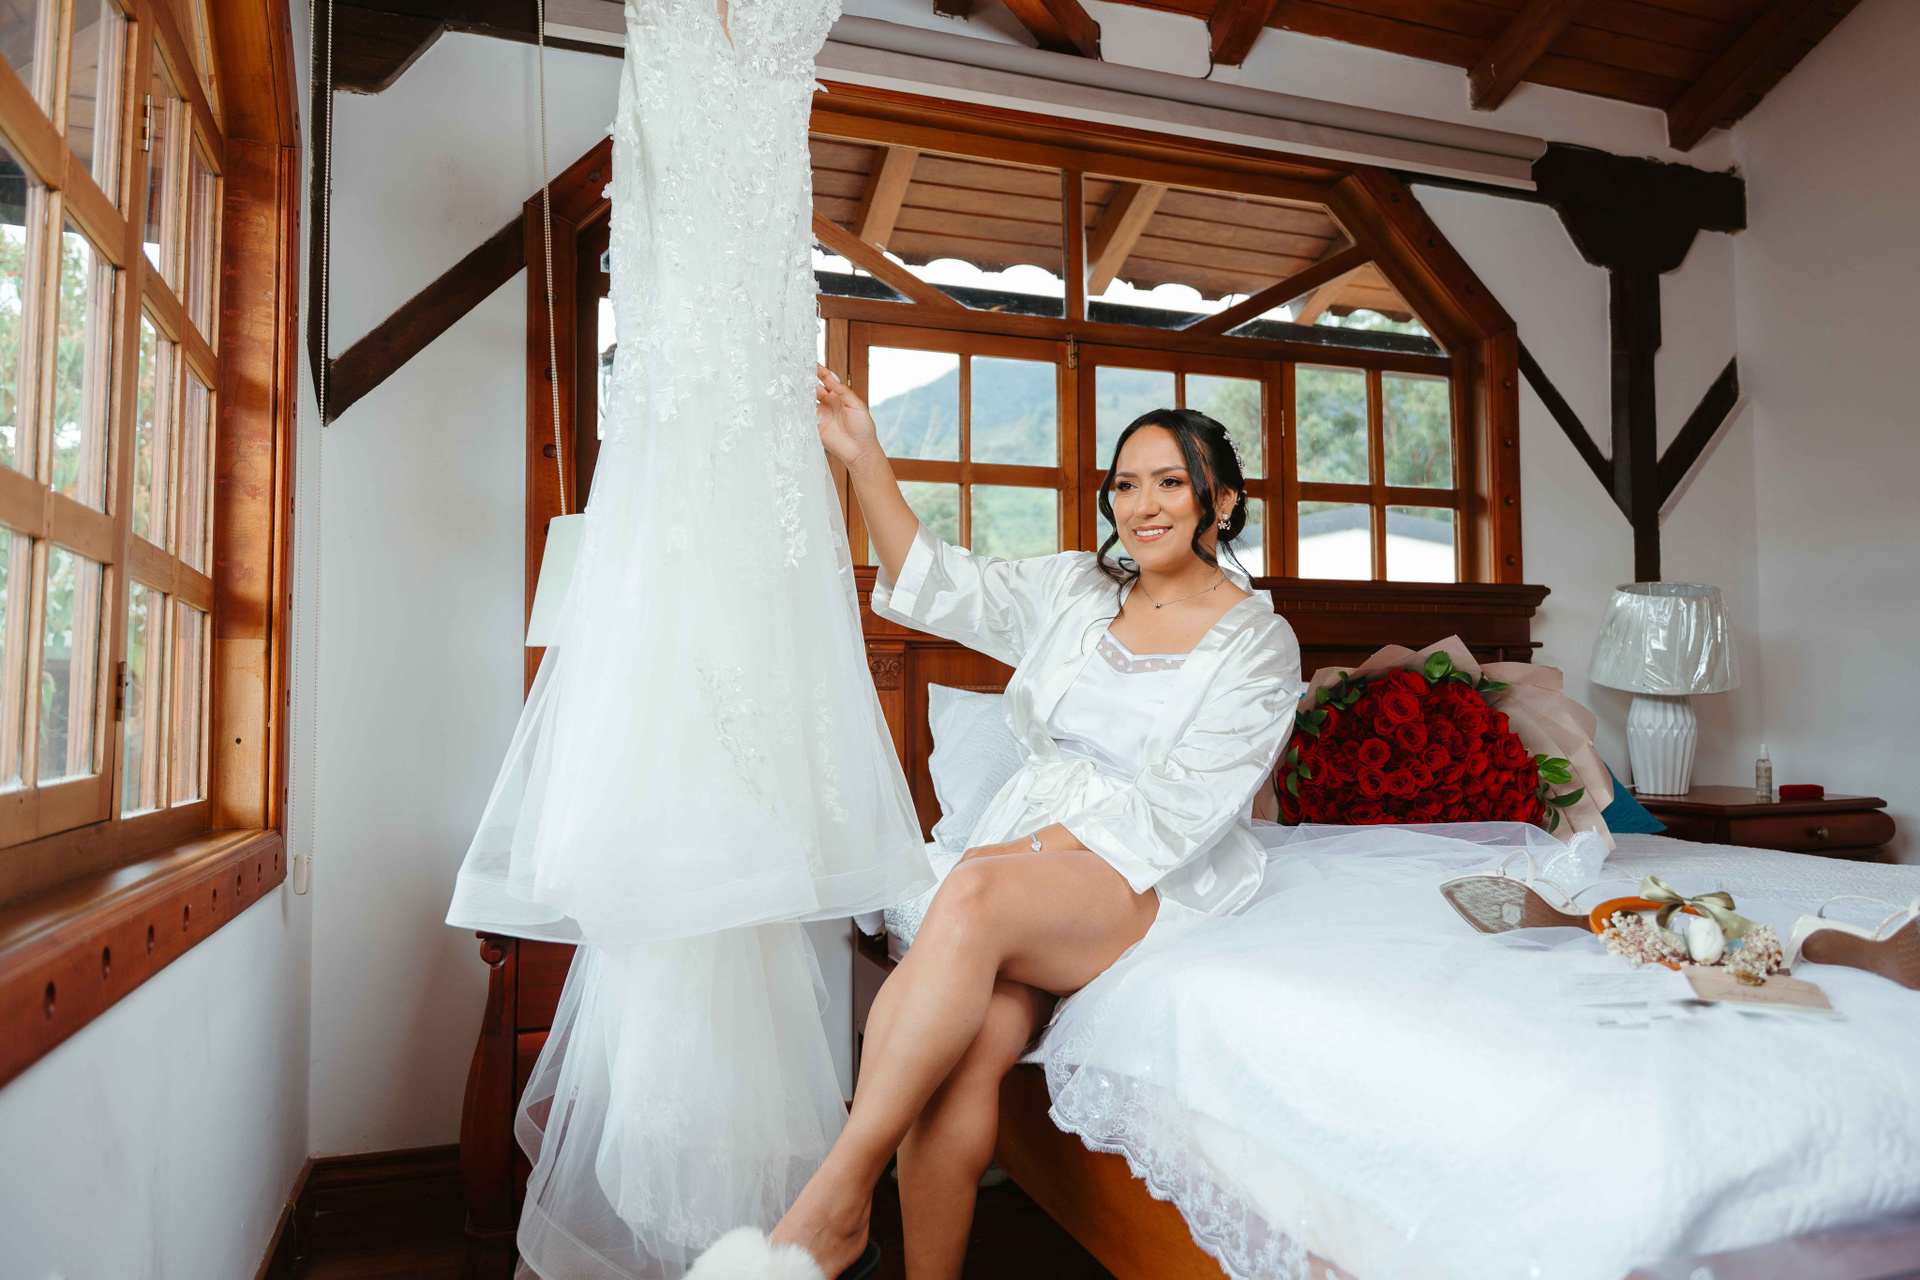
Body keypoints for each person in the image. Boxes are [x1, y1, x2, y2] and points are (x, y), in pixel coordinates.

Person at [765, 367, 1302, 1279]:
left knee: (971, 892)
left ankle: (833, 1201)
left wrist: (1019, 855)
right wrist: (863, 456)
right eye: (1125, 484)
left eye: (1171, 482)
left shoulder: (1257, 640)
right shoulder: (1077, 590)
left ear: (1222, 502)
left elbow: (1179, 811)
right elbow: (937, 580)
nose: (1143, 505)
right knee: (969, 1052)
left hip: (1146, 872)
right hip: (1035, 859)